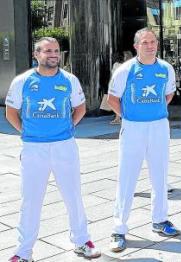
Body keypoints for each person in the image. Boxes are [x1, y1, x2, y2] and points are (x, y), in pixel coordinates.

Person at [5, 37, 101, 262]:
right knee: (30, 200)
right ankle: (23, 252)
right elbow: (11, 113)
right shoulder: (22, 81)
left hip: (64, 146)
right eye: (47, 51)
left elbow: (79, 109)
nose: (53, 54)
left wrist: (66, 129)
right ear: (36, 54)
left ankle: (81, 241)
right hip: (33, 149)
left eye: (56, 51)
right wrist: (28, 132)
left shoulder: (69, 80)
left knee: (73, 196)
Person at [108, 28, 179, 252]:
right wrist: (131, 116)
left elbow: (167, 95)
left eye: (153, 42)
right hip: (133, 127)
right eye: (145, 42)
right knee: (127, 176)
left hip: (158, 126)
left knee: (160, 175)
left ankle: (160, 220)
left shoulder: (166, 68)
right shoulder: (126, 69)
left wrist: (152, 112)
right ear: (136, 46)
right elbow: (112, 99)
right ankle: (118, 228)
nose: (150, 45)